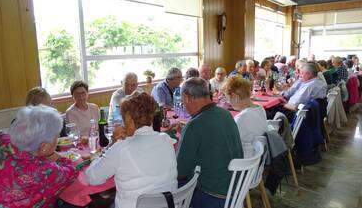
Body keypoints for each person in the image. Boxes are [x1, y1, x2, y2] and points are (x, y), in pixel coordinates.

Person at [0, 106, 78, 208]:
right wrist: (52, 154)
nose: (57, 140)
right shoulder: (44, 170)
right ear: (43, 146)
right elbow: (72, 171)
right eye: (57, 136)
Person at [85, 92, 177, 208]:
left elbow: (91, 177)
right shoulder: (166, 139)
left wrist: (112, 144)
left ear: (130, 121)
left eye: (124, 119)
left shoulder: (122, 147)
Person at [176, 77, 243, 208]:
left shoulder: (195, 124)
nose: (183, 105)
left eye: (182, 102)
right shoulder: (225, 114)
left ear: (187, 97)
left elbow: (180, 171)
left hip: (212, 195)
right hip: (235, 187)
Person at [222, 76, 268, 158]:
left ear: (235, 97)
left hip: (241, 163)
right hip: (256, 160)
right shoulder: (260, 109)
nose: (228, 102)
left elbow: (226, 144)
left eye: (228, 98)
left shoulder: (241, 119)